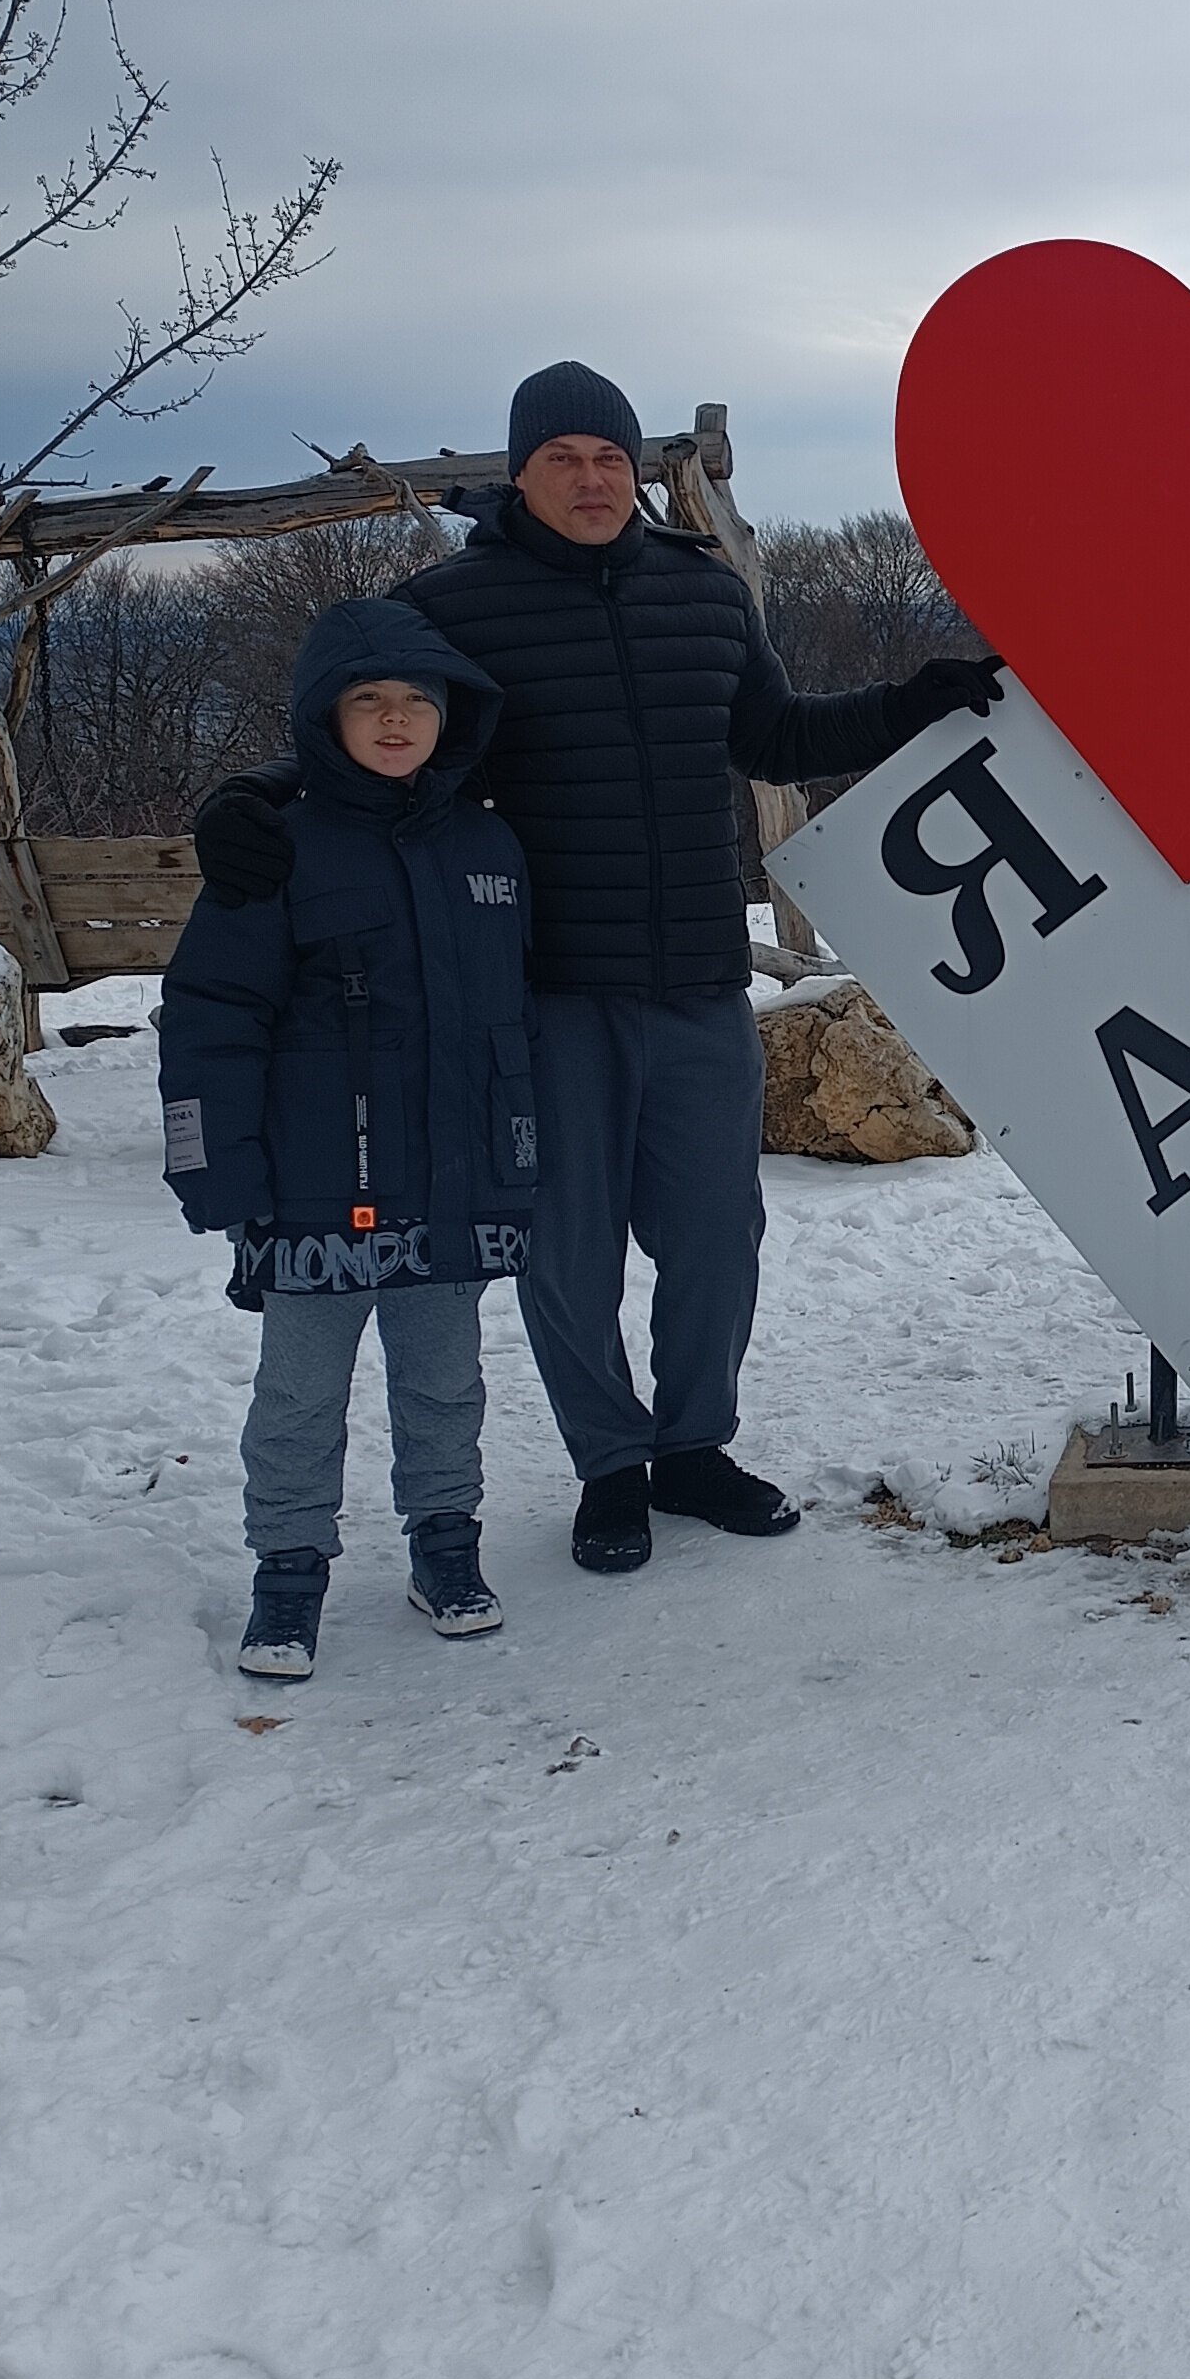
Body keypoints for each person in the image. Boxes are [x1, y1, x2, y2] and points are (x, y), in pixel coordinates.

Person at [193, 363, 997, 1574]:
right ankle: (609, 1465)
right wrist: (254, 793)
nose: (590, 478)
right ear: (518, 472)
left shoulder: (707, 594)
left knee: (718, 1235)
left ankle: (693, 1447)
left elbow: (774, 736)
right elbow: (373, 733)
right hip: (545, 994)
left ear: (639, 470)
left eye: (610, 458)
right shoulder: (452, 604)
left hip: (696, 983)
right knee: (569, 1250)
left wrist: (905, 702)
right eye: (562, 457)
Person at [160, 601, 540, 1680]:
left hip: (455, 1185)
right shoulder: (274, 848)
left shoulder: (490, 843)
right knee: (297, 1390)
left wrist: (522, 1157)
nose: (393, 719)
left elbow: (517, 1016)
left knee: (443, 1379)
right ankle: (288, 1571)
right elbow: (210, 1015)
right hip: (314, 1191)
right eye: (368, 699)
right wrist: (216, 1169)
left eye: (417, 700)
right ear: (325, 716)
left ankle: (444, 1545)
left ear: (450, 716)